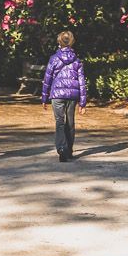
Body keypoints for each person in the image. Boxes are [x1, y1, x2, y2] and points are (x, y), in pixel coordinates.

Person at [41, 30, 87, 161]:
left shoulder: (54, 59)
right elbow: (82, 82)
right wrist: (83, 102)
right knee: (70, 122)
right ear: (72, 41)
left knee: (59, 122)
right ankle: (69, 150)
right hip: (72, 95)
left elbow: (47, 78)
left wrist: (44, 97)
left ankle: (62, 148)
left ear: (59, 41)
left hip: (57, 94)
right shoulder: (77, 61)